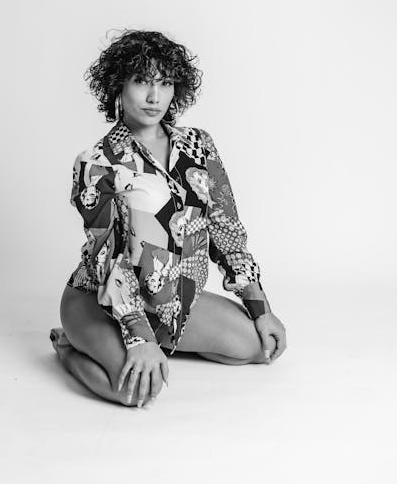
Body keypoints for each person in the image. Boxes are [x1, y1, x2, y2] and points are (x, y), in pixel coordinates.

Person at [50, 29, 287, 409]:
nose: (153, 96)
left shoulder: (199, 146)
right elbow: (108, 260)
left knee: (259, 346)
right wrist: (139, 339)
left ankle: (164, 341)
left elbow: (226, 231)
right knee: (136, 391)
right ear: (118, 86)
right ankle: (67, 346)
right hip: (99, 300)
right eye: (141, 81)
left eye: (164, 83)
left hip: (171, 301)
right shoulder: (97, 163)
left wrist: (260, 306)